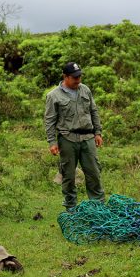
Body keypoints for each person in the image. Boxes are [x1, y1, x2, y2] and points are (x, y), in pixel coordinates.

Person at [44, 62, 105, 211]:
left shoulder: (85, 90)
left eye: (79, 76)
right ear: (65, 77)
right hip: (67, 139)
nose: (78, 80)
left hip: (87, 137)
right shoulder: (53, 96)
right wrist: (52, 142)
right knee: (68, 176)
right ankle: (71, 209)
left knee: (94, 173)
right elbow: (49, 120)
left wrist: (98, 132)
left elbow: (93, 111)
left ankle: (98, 208)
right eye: (74, 77)